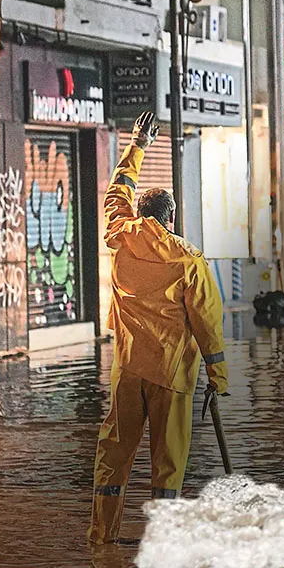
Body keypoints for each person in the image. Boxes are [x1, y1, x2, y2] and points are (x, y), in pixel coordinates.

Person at [89, 111, 228, 545]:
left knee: (113, 457)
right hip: (173, 376)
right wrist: (218, 378)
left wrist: (138, 144)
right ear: (170, 218)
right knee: (168, 465)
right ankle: (160, 543)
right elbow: (207, 324)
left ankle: (102, 537)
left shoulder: (121, 236)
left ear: (140, 211)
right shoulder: (188, 259)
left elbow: (116, 193)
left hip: (127, 371)